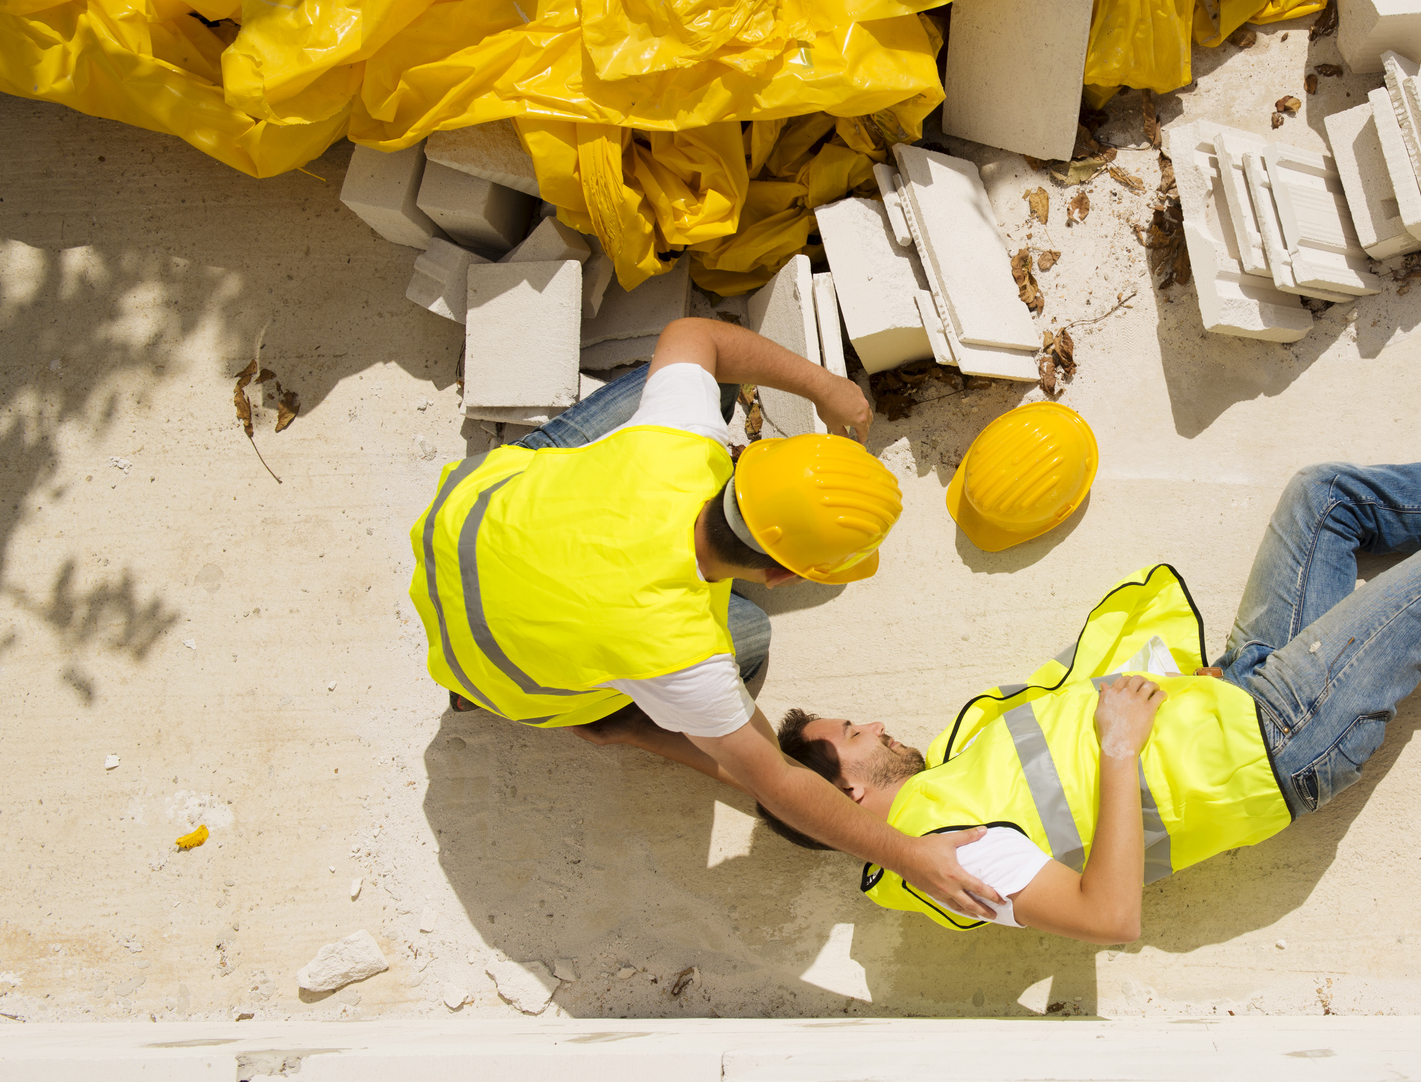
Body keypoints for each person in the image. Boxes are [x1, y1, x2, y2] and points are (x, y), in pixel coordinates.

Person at [758, 370, 1421, 941]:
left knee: (1324, 498)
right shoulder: (949, 857)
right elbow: (1106, 918)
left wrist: (1171, 692)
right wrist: (1125, 747)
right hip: (1280, 741)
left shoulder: (945, 781)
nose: (873, 725)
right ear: (843, 781)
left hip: (1234, 693)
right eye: (847, 733)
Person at [408, 309, 1005, 919]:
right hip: (492, 672)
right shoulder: (683, 656)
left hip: (462, 523)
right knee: (749, 636)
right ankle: (476, 696)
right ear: (782, 575)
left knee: (708, 375)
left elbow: (696, 333)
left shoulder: (681, 443)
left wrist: (826, 387)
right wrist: (906, 855)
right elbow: (779, 783)